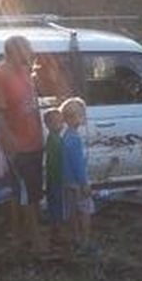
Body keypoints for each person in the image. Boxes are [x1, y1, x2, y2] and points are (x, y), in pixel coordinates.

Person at [0, 35, 45, 253]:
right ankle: (35, 239)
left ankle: (18, 235)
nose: (30, 51)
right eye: (27, 48)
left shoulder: (25, 71)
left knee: (26, 192)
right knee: (27, 193)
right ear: (14, 51)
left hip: (34, 142)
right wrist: (10, 146)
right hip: (18, 145)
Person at [59, 97, 95, 252]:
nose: (81, 118)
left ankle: (75, 238)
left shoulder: (65, 136)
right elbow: (78, 165)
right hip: (77, 183)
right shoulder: (75, 139)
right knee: (85, 210)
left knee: (71, 211)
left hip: (67, 182)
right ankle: (85, 241)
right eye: (80, 115)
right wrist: (84, 183)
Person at [42, 107, 67, 249]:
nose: (61, 125)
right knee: (57, 206)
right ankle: (56, 234)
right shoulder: (54, 140)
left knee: (55, 205)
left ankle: (56, 232)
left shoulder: (55, 139)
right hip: (56, 179)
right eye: (57, 122)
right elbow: (56, 162)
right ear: (49, 125)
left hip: (54, 179)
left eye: (61, 121)